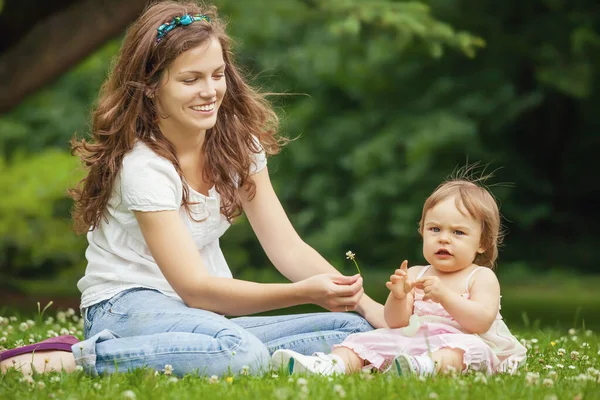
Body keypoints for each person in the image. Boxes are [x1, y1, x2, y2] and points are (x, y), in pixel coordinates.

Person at [0, 0, 386, 377]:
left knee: (355, 334)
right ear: (151, 87)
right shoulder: (144, 167)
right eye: (190, 79)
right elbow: (195, 288)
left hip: (198, 317)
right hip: (126, 308)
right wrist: (304, 293)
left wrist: (369, 308)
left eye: (217, 75)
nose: (209, 91)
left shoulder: (239, 146)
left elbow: (286, 247)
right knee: (239, 352)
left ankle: (203, 353)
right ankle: (75, 359)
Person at [272, 178, 527, 376]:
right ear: (422, 231)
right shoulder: (417, 273)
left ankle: (423, 368)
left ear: (482, 243)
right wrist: (398, 296)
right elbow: (395, 323)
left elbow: (480, 322)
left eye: (458, 232)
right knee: (364, 341)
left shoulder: (480, 277)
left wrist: (445, 296)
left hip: (463, 342)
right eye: (435, 229)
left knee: (462, 352)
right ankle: (331, 365)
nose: (444, 238)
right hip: (415, 341)